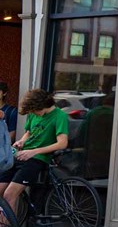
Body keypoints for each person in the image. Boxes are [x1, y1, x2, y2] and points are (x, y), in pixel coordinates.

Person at [0, 89, 69, 219]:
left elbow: (62, 143)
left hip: (38, 158)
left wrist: (34, 152)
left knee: (9, 195)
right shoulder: (34, 113)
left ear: (42, 105)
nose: (33, 114)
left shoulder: (60, 116)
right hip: (22, 154)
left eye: (35, 111)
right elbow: (29, 133)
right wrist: (21, 141)